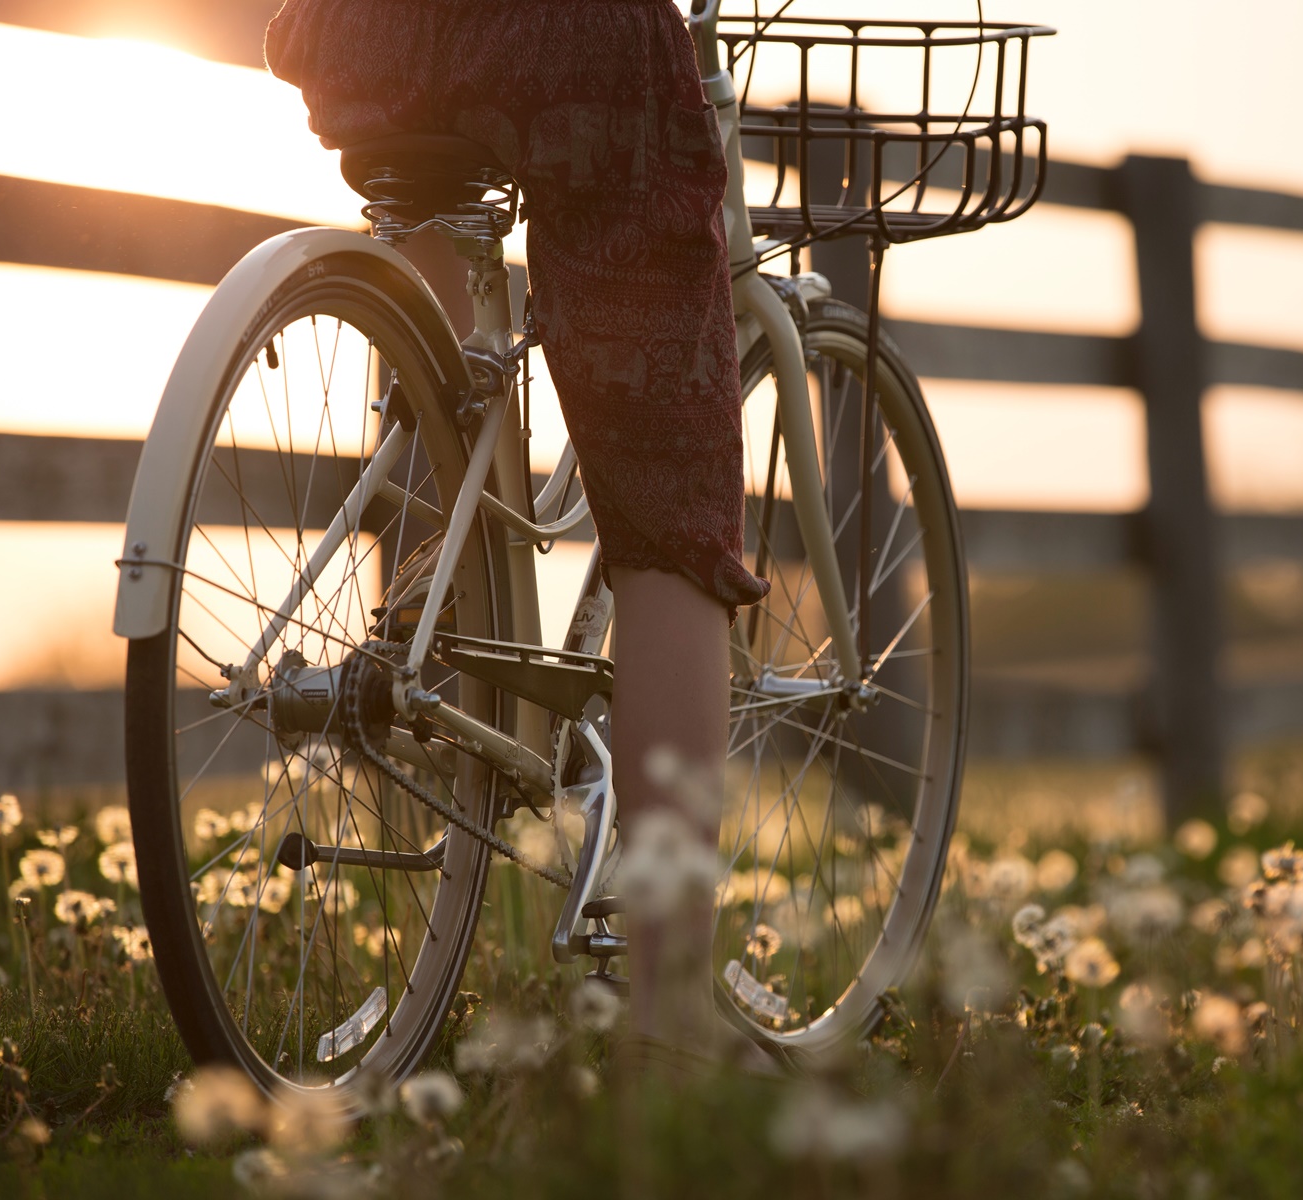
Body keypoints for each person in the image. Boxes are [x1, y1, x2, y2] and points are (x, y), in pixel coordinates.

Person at [263, 0, 769, 1068]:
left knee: (440, 353)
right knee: (671, 514)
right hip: (568, 41)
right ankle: (670, 1026)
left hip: (361, 33)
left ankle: (433, 628)